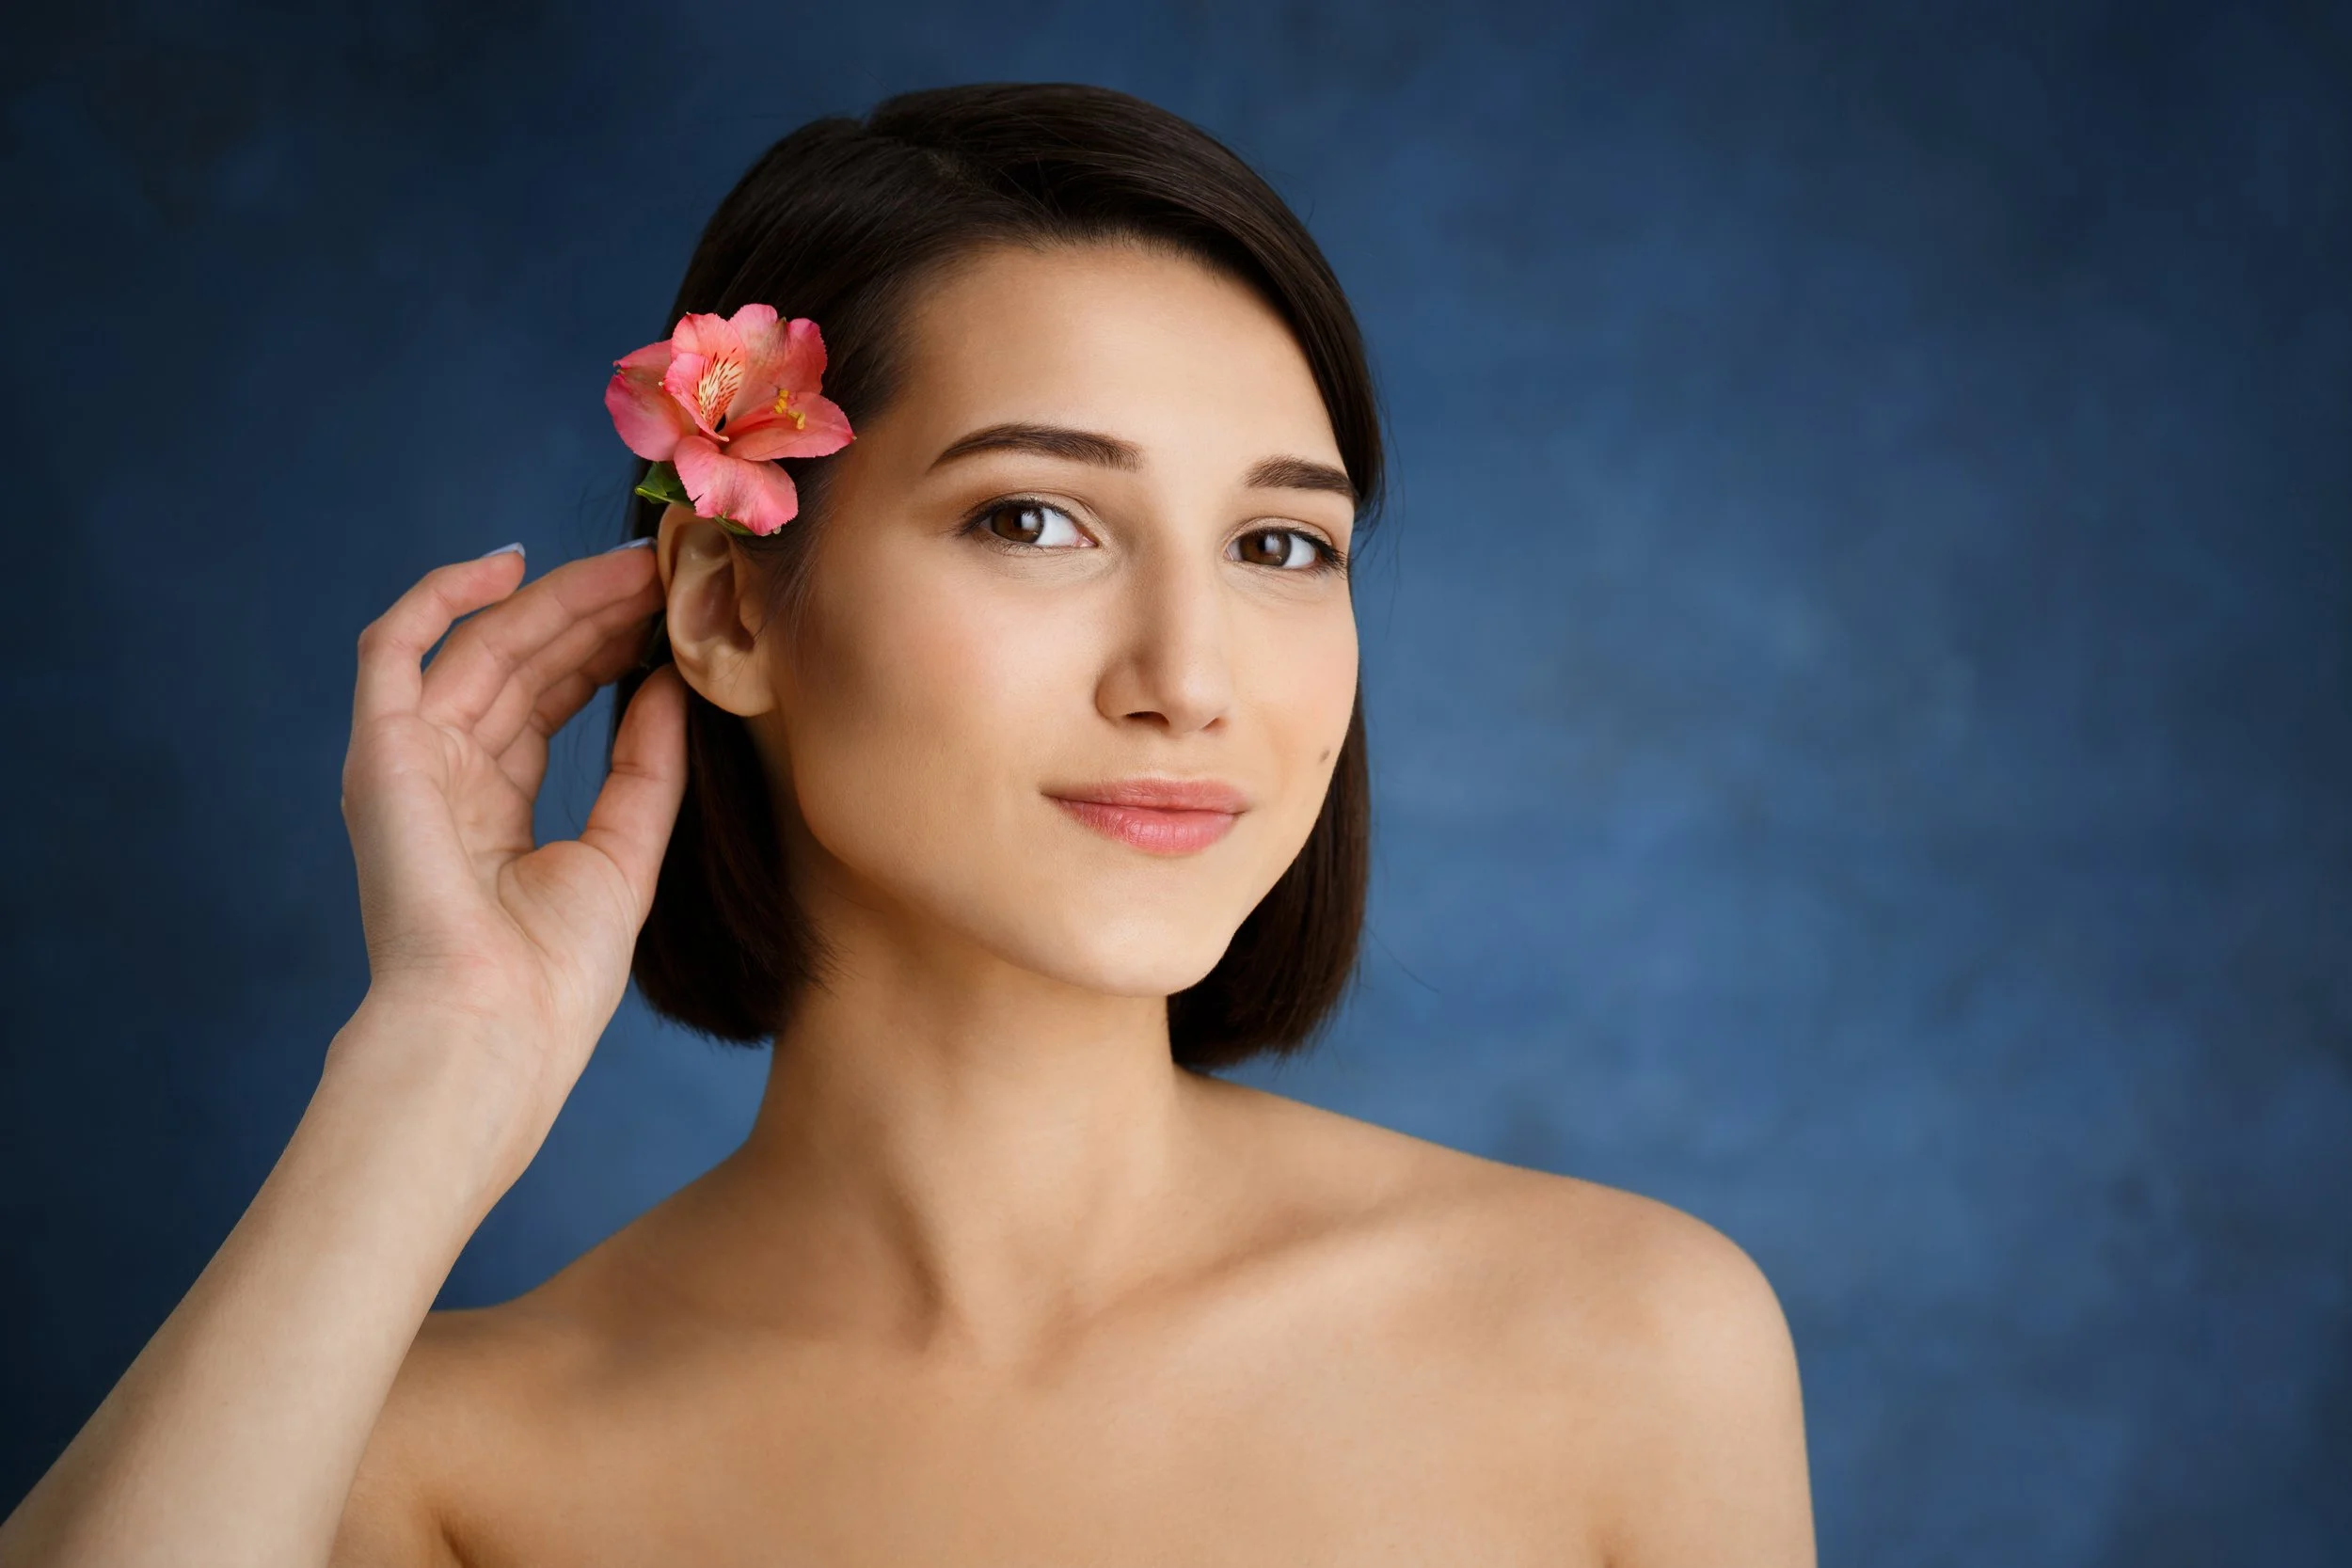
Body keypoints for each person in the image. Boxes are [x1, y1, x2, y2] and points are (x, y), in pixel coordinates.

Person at [0, 82, 1814, 1566]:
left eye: (1281, 546)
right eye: (1037, 520)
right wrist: (434, 1061)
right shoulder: (431, 1464)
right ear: (725, 601)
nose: (1189, 676)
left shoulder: (1624, 1339)